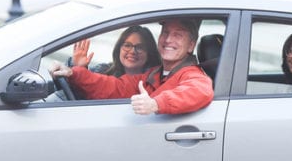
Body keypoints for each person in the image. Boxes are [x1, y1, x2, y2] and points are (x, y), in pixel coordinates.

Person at [50, 18, 214, 115]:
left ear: (191, 45)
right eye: (165, 33)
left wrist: (156, 104)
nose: (168, 39)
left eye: (178, 35)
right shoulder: (154, 74)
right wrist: (73, 73)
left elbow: (200, 91)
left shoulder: (192, 74)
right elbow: (116, 87)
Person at [70, 25, 160, 77]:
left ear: (149, 52)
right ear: (119, 49)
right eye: (127, 45)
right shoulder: (102, 71)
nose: (133, 51)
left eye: (139, 47)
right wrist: (79, 69)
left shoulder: (154, 82)